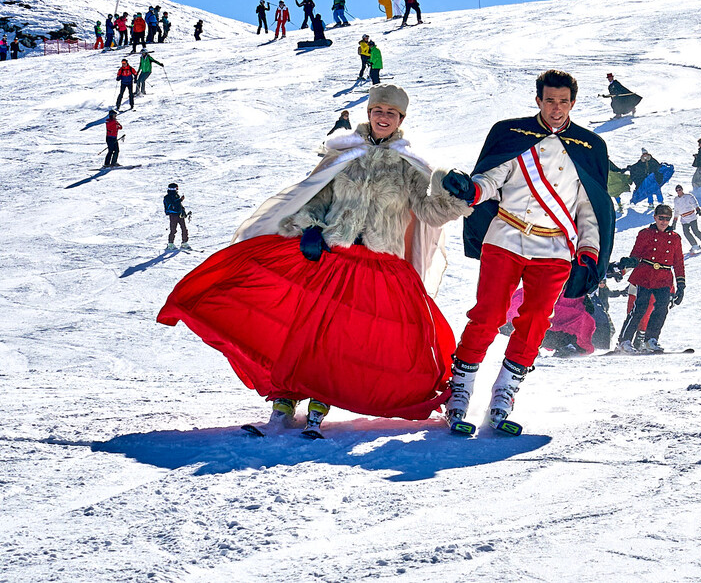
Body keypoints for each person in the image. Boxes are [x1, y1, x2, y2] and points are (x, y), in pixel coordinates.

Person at [158, 84, 471, 438]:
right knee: (307, 329)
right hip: (334, 253)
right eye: (378, 111)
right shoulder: (344, 154)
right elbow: (316, 197)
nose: (384, 118)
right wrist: (307, 228)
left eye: (392, 114)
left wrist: (453, 197)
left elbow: (429, 212)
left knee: (353, 337)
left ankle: (323, 400)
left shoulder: (409, 168)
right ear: (368, 114)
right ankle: (286, 399)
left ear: (401, 120)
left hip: (379, 262)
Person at [439, 69, 614, 433]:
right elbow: (492, 178)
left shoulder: (589, 145)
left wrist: (589, 252)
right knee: (488, 315)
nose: (556, 108)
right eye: (550, 100)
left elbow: (589, 207)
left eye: (563, 102)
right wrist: (471, 191)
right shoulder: (512, 134)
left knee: (535, 321)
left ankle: (505, 392)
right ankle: (461, 390)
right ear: (538, 100)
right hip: (505, 236)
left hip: (554, 248)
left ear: (573, 103)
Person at [616, 204, 686, 353]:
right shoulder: (645, 233)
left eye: (667, 219)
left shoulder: (675, 238)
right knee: (640, 308)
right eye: (661, 218)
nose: (664, 222)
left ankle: (650, 340)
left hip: (664, 278)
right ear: (655, 217)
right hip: (645, 275)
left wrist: (681, 286)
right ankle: (624, 341)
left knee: (662, 308)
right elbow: (636, 254)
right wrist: (630, 262)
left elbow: (679, 262)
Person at [673, 184, 701, 253]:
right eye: (677, 190)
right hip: (684, 219)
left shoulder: (688, 196)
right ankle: (694, 245)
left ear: (682, 190)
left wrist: (698, 209)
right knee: (686, 232)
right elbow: (676, 211)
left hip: (691, 217)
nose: (678, 191)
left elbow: (694, 203)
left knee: (696, 231)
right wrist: (674, 221)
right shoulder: (676, 199)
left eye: (679, 190)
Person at [163, 183, 190, 250]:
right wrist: (180, 200)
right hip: (173, 215)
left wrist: (183, 211)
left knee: (183, 228)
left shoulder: (176, 195)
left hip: (179, 214)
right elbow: (173, 203)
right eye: (176, 188)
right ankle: (171, 244)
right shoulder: (167, 197)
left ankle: (184, 243)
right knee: (173, 229)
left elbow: (178, 205)